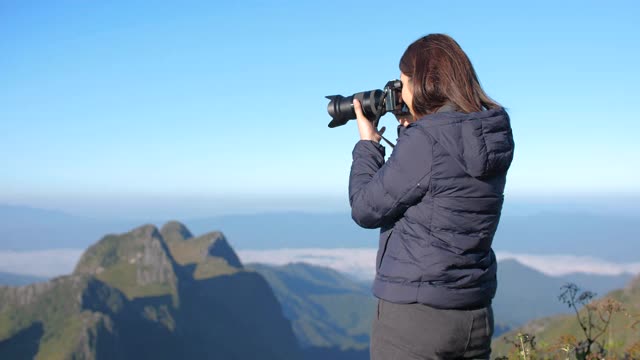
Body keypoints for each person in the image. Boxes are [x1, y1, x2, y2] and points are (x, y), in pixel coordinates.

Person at [349, 33, 515, 360]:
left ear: (424, 82)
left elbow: (365, 208)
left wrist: (368, 147)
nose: (401, 94)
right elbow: (437, 183)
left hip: (415, 319)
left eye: (403, 84)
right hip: (473, 313)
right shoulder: (493, 133)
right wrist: (411, 129)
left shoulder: (427, 142)